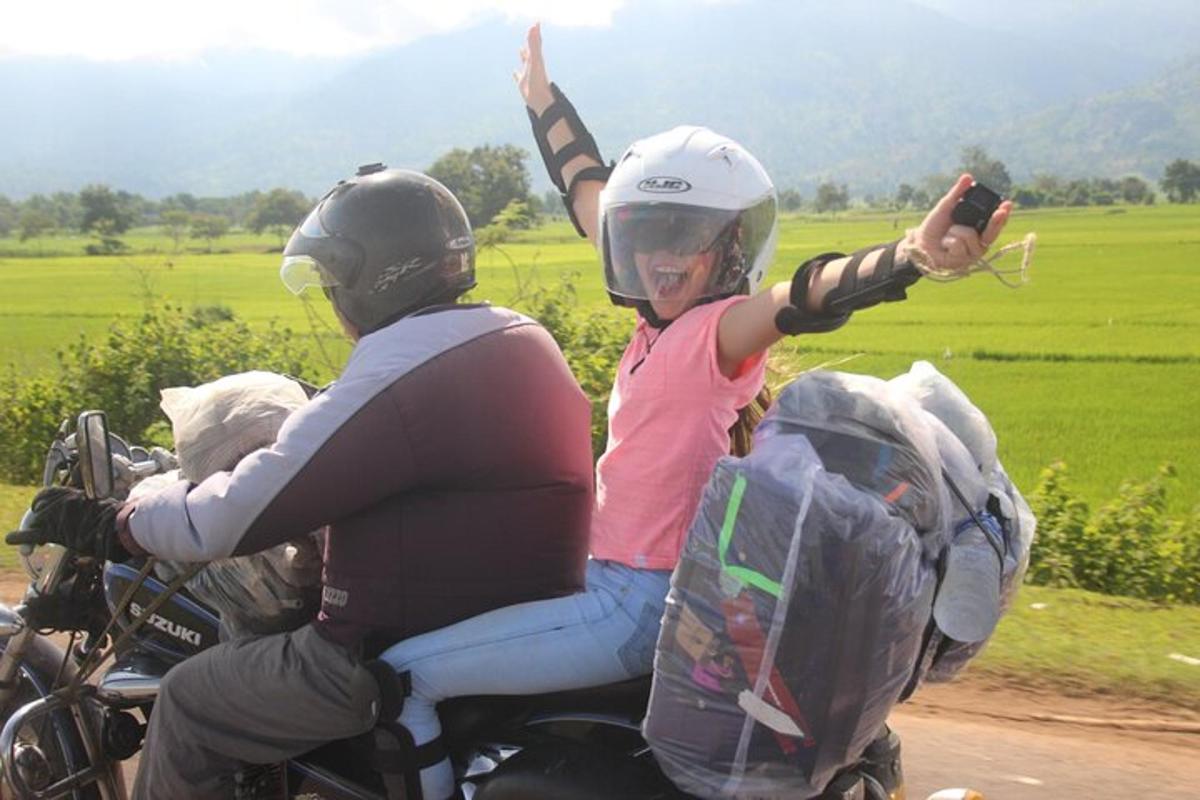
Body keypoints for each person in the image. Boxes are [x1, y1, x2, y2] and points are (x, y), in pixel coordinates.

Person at [375, 23, 1014, 800]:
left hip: (630, 605)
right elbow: (589, 188)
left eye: (687, 240)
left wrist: (909, 256)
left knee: (401, 675)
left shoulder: (711, 337)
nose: (661, 257)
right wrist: (544, 101)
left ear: (729, 252)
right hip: (605, 579)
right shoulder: (657, 324)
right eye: (645, 238)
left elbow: (801, 299)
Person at [7, 166, 595, 799]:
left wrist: (115, 524)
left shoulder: (400, 374)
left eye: (334, 279)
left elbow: (229, 515)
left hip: (379, 650)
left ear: (371, 278)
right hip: (509, 623)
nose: (333, 298)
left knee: (190, 700)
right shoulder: (515, 337)